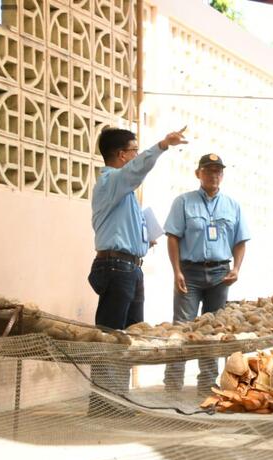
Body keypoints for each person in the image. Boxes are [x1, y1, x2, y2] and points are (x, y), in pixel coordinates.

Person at [87, 126, 186, 413]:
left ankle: (119, 398)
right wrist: (163, 144)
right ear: (121, 155)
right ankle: (104, 403)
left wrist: (144, 240)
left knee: (129, 336)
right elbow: (137, 169)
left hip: (129, 267)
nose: (136, 155)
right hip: (116, 268)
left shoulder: (124, 192)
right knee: (111, 337)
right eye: (134, 150)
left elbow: (123, 228)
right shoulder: (111, 181)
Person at [163, 153, 250, 394]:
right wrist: (176, 271)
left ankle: (207, 386)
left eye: (218, 171)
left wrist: (236, 269)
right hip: (189, 274)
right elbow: (172, 237)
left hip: (220, 274)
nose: (214, 175)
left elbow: (240, 241)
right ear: (198, 173)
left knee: (214, 331)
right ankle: (172, 386)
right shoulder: (183, 202)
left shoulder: (232, 205)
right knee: (182, 330)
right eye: (209, 170)